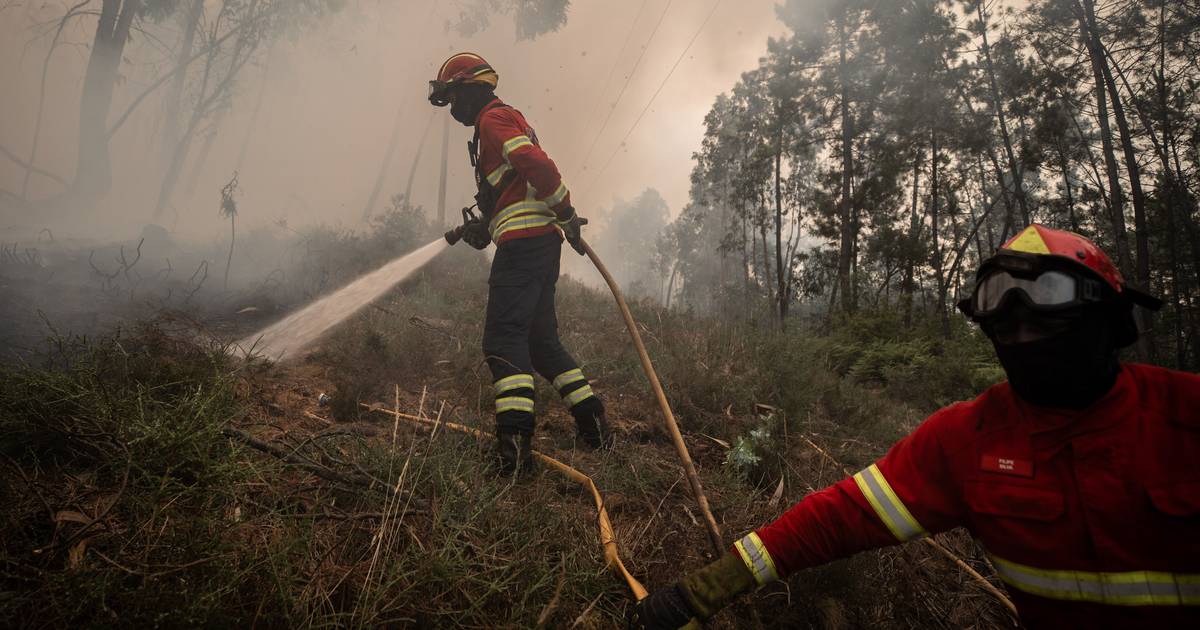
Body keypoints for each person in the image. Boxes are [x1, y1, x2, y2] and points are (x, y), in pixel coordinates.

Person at [630, 224, 1200, 628]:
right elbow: (839, 517)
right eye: (1002, 305)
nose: (1023, 323)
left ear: (1109, 317)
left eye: (1048, 297)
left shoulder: (1186, 415)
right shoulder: (966, 440)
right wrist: (699, 592)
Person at [428, 52, 611, 476]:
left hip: (526, 247)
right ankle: (595, 426)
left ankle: (514, 453)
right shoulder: (495, 125)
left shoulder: (494, 120)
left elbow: (538, 166)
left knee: (502, 341)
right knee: (540, 343)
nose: (453, 109)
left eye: (454, 97)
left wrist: (566, 212)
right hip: (537, 245)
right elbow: (514, 191)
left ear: (473, 89)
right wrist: (485, 229)